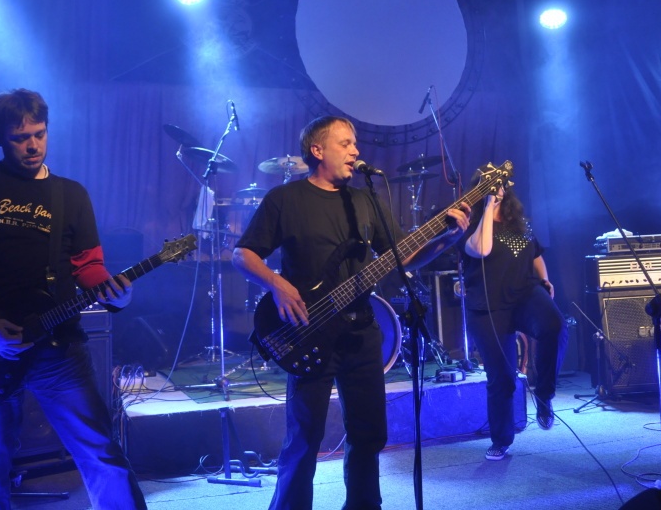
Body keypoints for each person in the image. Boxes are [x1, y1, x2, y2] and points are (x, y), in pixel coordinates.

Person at [231, 116, 470, 510]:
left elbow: (404, 257)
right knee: (304, 438)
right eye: (345, 143)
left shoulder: (365, 199)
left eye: (355, 143)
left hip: (361, 333)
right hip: (306, 330)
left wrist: (448, 238)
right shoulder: (285, 199)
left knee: (369, 435)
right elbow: (243, 255)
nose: (356, 150)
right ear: (317, 150)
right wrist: (277, 284)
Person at [0, 89, 147, 509]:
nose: (33, 145)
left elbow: (88, 265)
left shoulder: (70, 195)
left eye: (39, 134)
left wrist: (117, 293)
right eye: (20, 138)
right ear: (0, 137)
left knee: (101, 454)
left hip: (58, 346)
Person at [460, 177, 568, 461]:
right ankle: (501, 439)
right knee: (503, 377)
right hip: (488, 306)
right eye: (488, 185)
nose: (496, 189)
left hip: (524, 294)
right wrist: (488, 206)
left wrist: (545, 279)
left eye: (498, 185)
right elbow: (481, 249)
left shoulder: (519, 224)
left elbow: (536, 254)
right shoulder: (469, 224)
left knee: (554, 326)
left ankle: (544, 395)